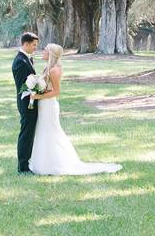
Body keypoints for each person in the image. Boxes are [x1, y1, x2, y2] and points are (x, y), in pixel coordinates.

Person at [28, 43, 122, 176]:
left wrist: (37, 96)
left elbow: (56, 92)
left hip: (49, 105)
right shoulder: (47, 68)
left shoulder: (54, 70)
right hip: (44, 105)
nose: (42, 51)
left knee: (51, 131)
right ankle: (43, 162)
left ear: (51, 54)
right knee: (43, 130)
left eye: (45, 50)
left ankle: (55, 163)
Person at [11, 32, 39, 174]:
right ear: (26, 44)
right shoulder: (19, 62)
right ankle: (22, 167)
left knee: (30, 133)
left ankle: (28, 162)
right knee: (26, 134)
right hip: (26, 103)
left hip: (32, 101)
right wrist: (39, 87)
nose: (35, 48)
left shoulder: (26, 59)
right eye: (34, 45)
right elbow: (23, 86)